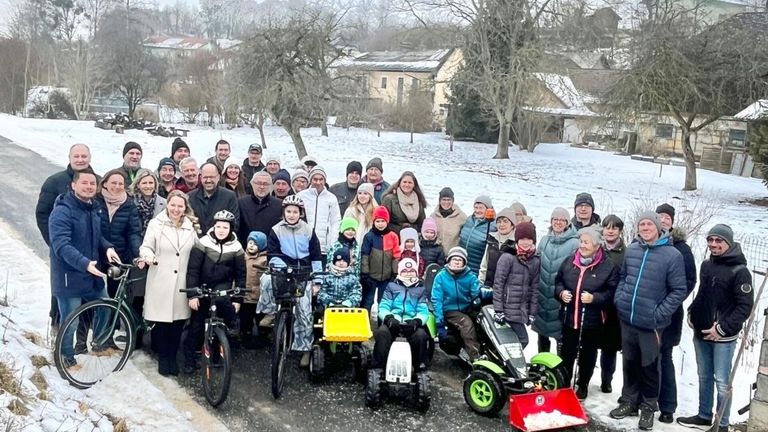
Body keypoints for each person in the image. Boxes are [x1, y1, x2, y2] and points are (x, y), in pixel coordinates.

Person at [609, 212, 687, 431]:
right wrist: (620, 300)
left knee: (650, 367)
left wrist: (659, 313)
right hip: (628, 318)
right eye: (641, 224)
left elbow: (679, 289)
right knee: (630, 363)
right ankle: (629, 402)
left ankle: (648, 408)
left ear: (658, 227)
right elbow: (624, 277)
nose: (645, 227)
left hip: (651, 323)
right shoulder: (633, 250)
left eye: (649, 224)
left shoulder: (672, 255)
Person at [677, 224, 753, 432]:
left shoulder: (740, 271)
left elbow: (745, 307)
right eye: (710, 240)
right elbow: (702, 293)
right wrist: (693, 311)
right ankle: (703, 415)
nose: (713, 245)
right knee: (704, 376)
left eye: (718, 241)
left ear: (728, 243)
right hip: (701, 331)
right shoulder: (707, 265)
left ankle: (722, 424)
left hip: (723, 336)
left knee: (721, 381)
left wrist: (721, 329)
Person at [49, 170, 121, 369]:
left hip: (92, 275)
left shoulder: (93, 208)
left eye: (92, 183)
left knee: (106, 305)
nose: (89, 186)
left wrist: (107, 247)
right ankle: (66, 358)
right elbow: (61, 245)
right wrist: (84, 263)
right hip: (69, 276)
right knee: (70, 321)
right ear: (73, 185)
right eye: (84, 183)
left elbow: (96, 237)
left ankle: (98, 343)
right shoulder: (62, 211)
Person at [36, 144, 98, 326]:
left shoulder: (97, 181)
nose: (80, 159)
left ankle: (84, 340)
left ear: (90, 158)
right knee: (63, 297)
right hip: (65, 253)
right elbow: (42, 214)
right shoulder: (54, 182)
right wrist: (57, 244)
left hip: (91, 253)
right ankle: (59, 334)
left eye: (84, 156)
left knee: (90, 298)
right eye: (76, 156)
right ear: (69, 158)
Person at [139, 190, 199, 376]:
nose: (176, 209)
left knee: (178, 324)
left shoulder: (191, 227)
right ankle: (164, 362)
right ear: (167, 205)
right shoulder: (156, 224)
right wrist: (148, 257)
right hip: (161, 279)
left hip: (182, 281)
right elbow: (146, 246)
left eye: (180, 206)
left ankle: (172, 359)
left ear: (185, 208)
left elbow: (197, 251)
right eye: (173, 205)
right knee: (163, 324)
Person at [554, 227, 619, 400]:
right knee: (566, 353)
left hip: (592, 321)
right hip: (569, 317)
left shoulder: (608, 265)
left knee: (587, 355)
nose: (582, 246)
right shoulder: (570, 261)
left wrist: (595, 298)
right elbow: (558, 280)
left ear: (597, 245)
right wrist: (561, 293)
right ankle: (564, 383)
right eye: (581, 242)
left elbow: (612, 291)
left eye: (586, 242)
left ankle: (582, 384)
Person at [183, 210, 245, 374]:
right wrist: (192, 294)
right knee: (196, 326)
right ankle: (189, 360)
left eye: (225, 227)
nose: (221, 230)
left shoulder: (237, 247)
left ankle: (224, 343)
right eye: (218, 226)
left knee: (223, 307)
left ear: (231, 229)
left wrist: (238, 299)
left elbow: (240, 275)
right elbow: (193, 270)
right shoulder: (203, 243)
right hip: (202, 287)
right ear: (213, 226)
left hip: (222, 287)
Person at [264, 195, 323, 367]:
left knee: (304, 311)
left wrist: (317, 281)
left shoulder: (308, 230)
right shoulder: (276, 230)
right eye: (288, 211)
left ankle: (305, 348)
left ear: (301, 213)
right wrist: (281, 267)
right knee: (266, 279)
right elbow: (272, 254)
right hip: (283, 271)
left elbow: (316, 257)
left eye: (295, 212)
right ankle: (269, 311)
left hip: (303, 273)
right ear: (284, 212)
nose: (291, 215)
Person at [654, 203, 698, 423]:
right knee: (645, 358)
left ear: (672, 221)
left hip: (670, 314)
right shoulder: (644, 242)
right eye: (659, 216)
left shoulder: (682, 248)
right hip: (646, 311)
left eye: (667, 217)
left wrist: (669, 302)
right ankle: (645, 400)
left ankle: (667, 406)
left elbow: (690, 281)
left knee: (664, 357)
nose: (663, 220)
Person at [127, 168, 167, 342]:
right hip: (138, 254)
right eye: (144, 182)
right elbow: (130, 231)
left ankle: (155, 335)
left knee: (156, 296)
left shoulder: (164, 203)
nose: (148, 186)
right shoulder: (130, 203)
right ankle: (135, 335)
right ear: (138, 184)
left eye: (151, 182)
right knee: (137, 296)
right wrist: (140, 253)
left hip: (158, 255)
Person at [533, 207, 579, 354]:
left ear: (567, 222)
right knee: (542, 334)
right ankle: (541, 365)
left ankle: (560, 368)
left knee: (560, 336)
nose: (558, 222)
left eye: (562, 220)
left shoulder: (574, 243)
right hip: (542, 293)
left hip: (560, 296)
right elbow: (536, 262)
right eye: (555, 219)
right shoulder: (545, 240)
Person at [373, 258, 430, 371]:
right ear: (400, 272)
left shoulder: (421, 289)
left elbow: (423, 309)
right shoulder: (391, 286)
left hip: (411, 322)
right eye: (405, 271)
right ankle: (379, 364)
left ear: (416, 272)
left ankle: (418, 365)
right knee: (382, 332)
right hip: (394, 322)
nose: (408, 273)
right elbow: (384, 305)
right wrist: (389, 318)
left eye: (411, 271)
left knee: (421, 336)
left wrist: (417, 321)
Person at [492, 221, 540, 348]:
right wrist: (498, 310)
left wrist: (532, 312)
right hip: (506, 309)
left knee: (517, 341)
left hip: (521, 311)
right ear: (517, 239)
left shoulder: (535, 261)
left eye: (529, 239)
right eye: (522, 239)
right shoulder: (508, 257)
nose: (526, 242)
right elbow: (498, 284)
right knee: (521, 340)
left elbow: (534, 289)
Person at [95, 169, 142, 298]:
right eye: (113, 183)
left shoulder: (129, 204)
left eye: (120, 184)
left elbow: (133, 232)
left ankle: (112, 318)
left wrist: (138, 253)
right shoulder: (95, 201)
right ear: (105, 184)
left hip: (118, 256)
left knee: (114, 294)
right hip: (96, 253)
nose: (117, 186)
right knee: (95, 292)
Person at [432, 247, 484, 360]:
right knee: (466, 324)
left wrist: (477, 299)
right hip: (450, 309)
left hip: (467, 307)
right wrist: (439, 321)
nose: (456, 262)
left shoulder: (470, 276)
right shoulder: (441, 277)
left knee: (484, 321)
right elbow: (437, 299)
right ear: (449, 260)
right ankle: (475, 357)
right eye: (454, 259)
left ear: (464, 262)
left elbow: (476, 291)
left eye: (460, 260)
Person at [599, 214, 626, 394]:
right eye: (607, 227)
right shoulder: (596, 248)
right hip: (595, 302)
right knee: (590, 344)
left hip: (614, 307)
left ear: (619, 231)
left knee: (609, 347)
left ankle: (606, 380)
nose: (610, 231)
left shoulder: (627, 252)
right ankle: (582, 379)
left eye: (614, 228)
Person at [360, 206, 401, 310]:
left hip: (386, 277)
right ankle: (366, 322)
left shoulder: (393, 236)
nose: (380, 224)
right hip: (371, 276)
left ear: (387, 221)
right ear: (374, 222)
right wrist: (365, 273)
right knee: (368, 300)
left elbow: (396, 256)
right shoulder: (369, 236)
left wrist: (394, 273)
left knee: (383, 302)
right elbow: (365, 255)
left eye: (383, 221)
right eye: (378, 221)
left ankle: (381, 322)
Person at [296, 166, 341, 260]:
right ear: (310, 180)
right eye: (315, 179)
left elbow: (335, 221)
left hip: (323, 246)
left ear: (325, 180)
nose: (318, 182)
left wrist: (332, 243)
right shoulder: (301, 196)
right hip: (303, 245)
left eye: (321, 179)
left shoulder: (331, 198)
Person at [188, 163, 240, 235]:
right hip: (196, 242)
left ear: (218, 177)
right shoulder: (190, 197)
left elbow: (235, 223)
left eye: (212, 177)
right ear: (200, 177)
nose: (208, 180)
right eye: (205, 177)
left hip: (220, 242)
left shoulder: (229, 196)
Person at [237, 171, 283, 249]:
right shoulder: (241, 203)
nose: (262, 187)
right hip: (245, 250)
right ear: (252, 184)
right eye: (258, 183)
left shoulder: (279, 205)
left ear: (271, 186)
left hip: (269, 251)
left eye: (265, 184)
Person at [241, 231, 268, 349]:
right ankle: (245, 337)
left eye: (255, 244)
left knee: (260, 319)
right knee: (245, 319)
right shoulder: (243, 257)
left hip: (259, 296)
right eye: (250, 242)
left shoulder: (264, 259)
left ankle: (263, 337)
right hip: (245, 296)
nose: (251, 245)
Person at [478, 207, 517, 286]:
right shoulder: (492, 239)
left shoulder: (515, 243)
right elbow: (484, 265)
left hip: (505, 288)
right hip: (488, 285)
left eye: (505, 221)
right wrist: (480, 283)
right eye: (499, 222)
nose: (501, 224)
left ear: (512, 225)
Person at [459, 195, 496, 275]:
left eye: (481, 208)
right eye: (476, 207)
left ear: (488, 209)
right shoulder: (469, 220)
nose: (478, 210)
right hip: (461, 266)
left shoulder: (493, 225)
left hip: (477, 270)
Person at [431, 187, 467, 255]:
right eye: (443, 199)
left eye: (449, 200)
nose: (446, 202)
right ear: (439, 201)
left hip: (453, 255)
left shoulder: (461, 216)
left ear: (453, 201)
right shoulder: (433, 216)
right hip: (436, 255)